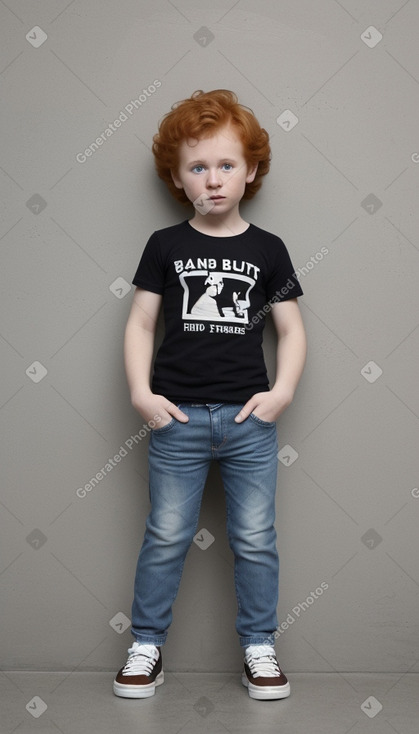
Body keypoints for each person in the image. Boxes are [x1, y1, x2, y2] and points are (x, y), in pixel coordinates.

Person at [113, 89, 307, 701]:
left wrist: (282, 393)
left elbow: (292, 329)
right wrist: (142, 395)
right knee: (167, 534)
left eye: (227, 165)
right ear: (177, 177)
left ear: (251, 170)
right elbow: (141, 323)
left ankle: (260, 646)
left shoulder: (268, 250)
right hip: (177, 419)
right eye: (198, 167)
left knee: (255, 538)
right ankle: (146, 644)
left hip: (250, 421)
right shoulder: (165, 246)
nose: (214, 180)